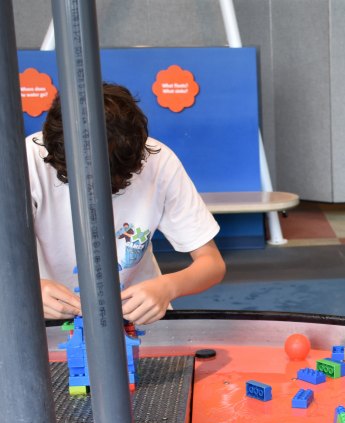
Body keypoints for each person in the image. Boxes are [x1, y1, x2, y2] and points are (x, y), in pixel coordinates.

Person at [27, 83, 226, 324]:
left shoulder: (159, 161)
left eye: (115, 184)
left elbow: (212, 264)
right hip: (44, 319)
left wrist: (167, 287)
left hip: (138, 321)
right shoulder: (27, 161)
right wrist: (29, 288)